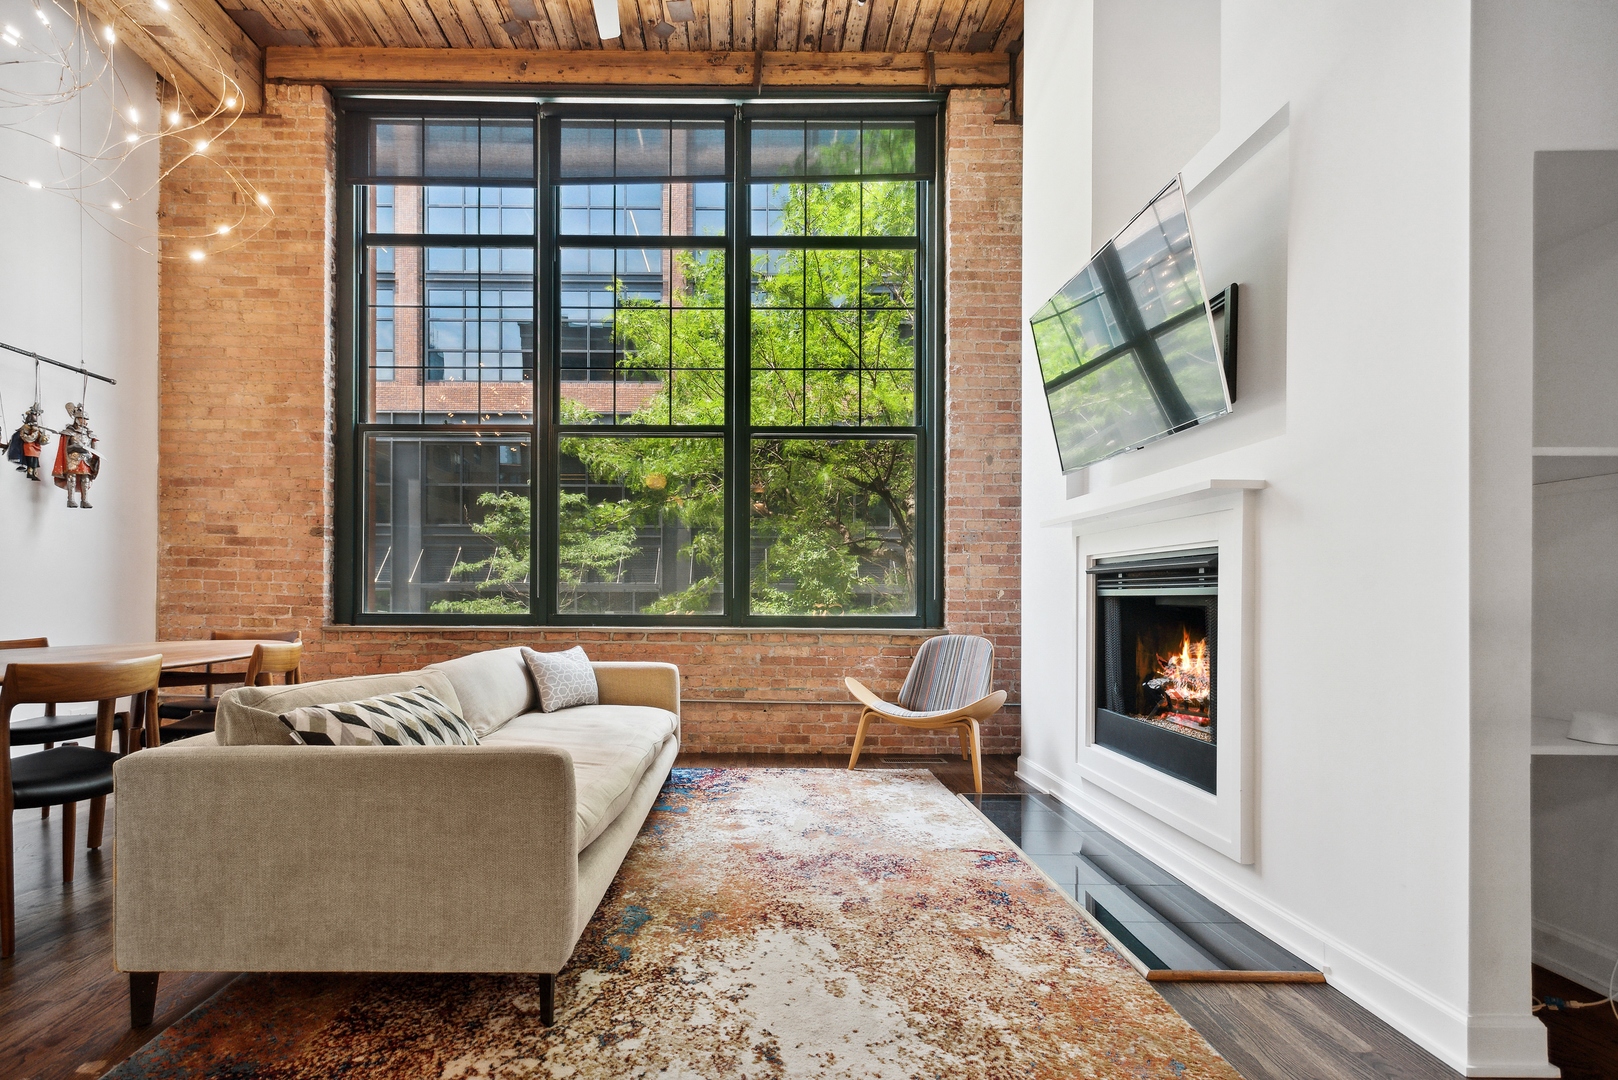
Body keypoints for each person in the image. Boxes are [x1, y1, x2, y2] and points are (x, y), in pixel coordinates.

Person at [53, 402, 98, 508]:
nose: (85, 421)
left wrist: (94, 459)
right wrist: (75, 447)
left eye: (86, 419)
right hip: (73, 458)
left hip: (86, 459)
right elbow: (65, 447)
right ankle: (71, 499)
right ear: (77, 419)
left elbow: (94, 450)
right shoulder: (70, 432)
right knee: (71, 478)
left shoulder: (89, 434)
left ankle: (85, 500)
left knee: (85, 479)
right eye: (83, 419)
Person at [5, 404, 51, 481]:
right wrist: (33, 433)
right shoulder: (26, 427)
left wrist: (44, 438)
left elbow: (40, 439)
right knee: (31, 462)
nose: (36, 417)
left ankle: (34, 474)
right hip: (29, 447)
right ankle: (29, 473)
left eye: (36, 415)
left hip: (36, 448)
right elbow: (26, 438)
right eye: (34, 415)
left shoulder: (37, 428)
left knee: (35, 463)